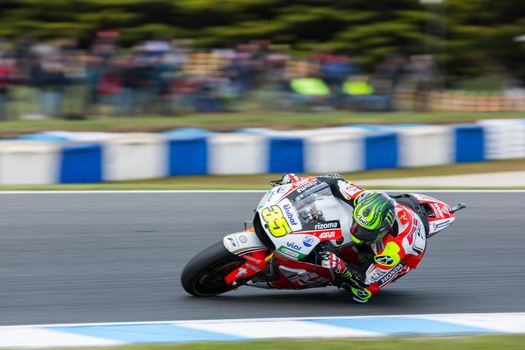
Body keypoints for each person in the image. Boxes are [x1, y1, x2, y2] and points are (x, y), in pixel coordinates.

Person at [279, 173, 427, 303]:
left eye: (365, 231)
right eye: (358, 224)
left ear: (382, 232)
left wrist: (341, 268)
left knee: (354, 284)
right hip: (396, 213)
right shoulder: (363, 198)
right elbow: (333, 180)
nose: (357, 231)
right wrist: (298, 184)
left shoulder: (392, 252)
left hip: (406, 254)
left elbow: (365, 289)